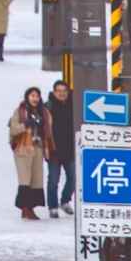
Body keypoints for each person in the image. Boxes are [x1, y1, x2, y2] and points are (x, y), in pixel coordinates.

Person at [9, 87, 50, 220]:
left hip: (37, 148)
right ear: (27, 97)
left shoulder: (43, 112)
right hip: (23, 149)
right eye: (32, 96)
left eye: (37, 96)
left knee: (36, 179)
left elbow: (49, 131)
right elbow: (13, 129)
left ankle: (31, 207)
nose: (35, 98)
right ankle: (25, 208)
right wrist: (26, 124)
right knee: (25, 179)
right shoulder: (20, 111)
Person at [45, 79, 75, 216]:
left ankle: (64, 201)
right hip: (53, 150)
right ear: (54, 92)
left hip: (70, 149)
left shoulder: (74, 106)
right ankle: (52, 207)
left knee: (74, 178)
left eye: (64, 91)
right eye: (59, 91)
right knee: (53, 181)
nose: (62, 94)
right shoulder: (48, 107)